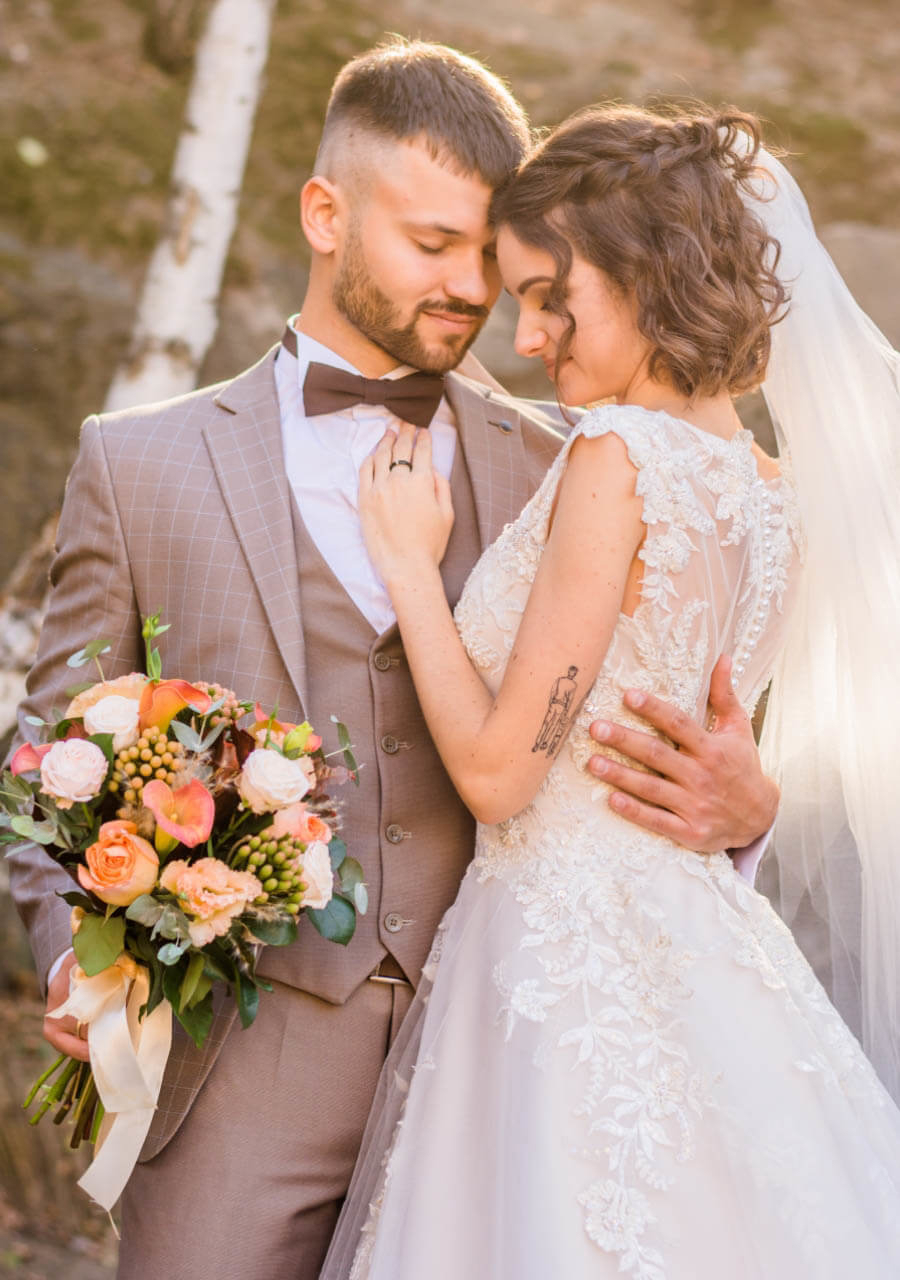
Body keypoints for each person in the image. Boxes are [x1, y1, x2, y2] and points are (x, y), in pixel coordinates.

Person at [7, 44, 776, 1278]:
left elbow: (685, 694)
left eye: (489, 253)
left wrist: (748, 806)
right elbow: (47, 757)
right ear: (326, 213)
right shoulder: (136, 464)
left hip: (512, 1063)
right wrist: (79, 959)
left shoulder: (576, 452)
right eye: (433, 244)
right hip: (233, 1075)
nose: (472, 291)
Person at [320, 105, 900, 1278]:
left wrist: (407, 569)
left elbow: (497, 774)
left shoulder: (616, 459)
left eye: (550, 295)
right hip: (703, 950)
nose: (530, 332)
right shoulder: (770, 491)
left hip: (562, 956)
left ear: (645, 273)